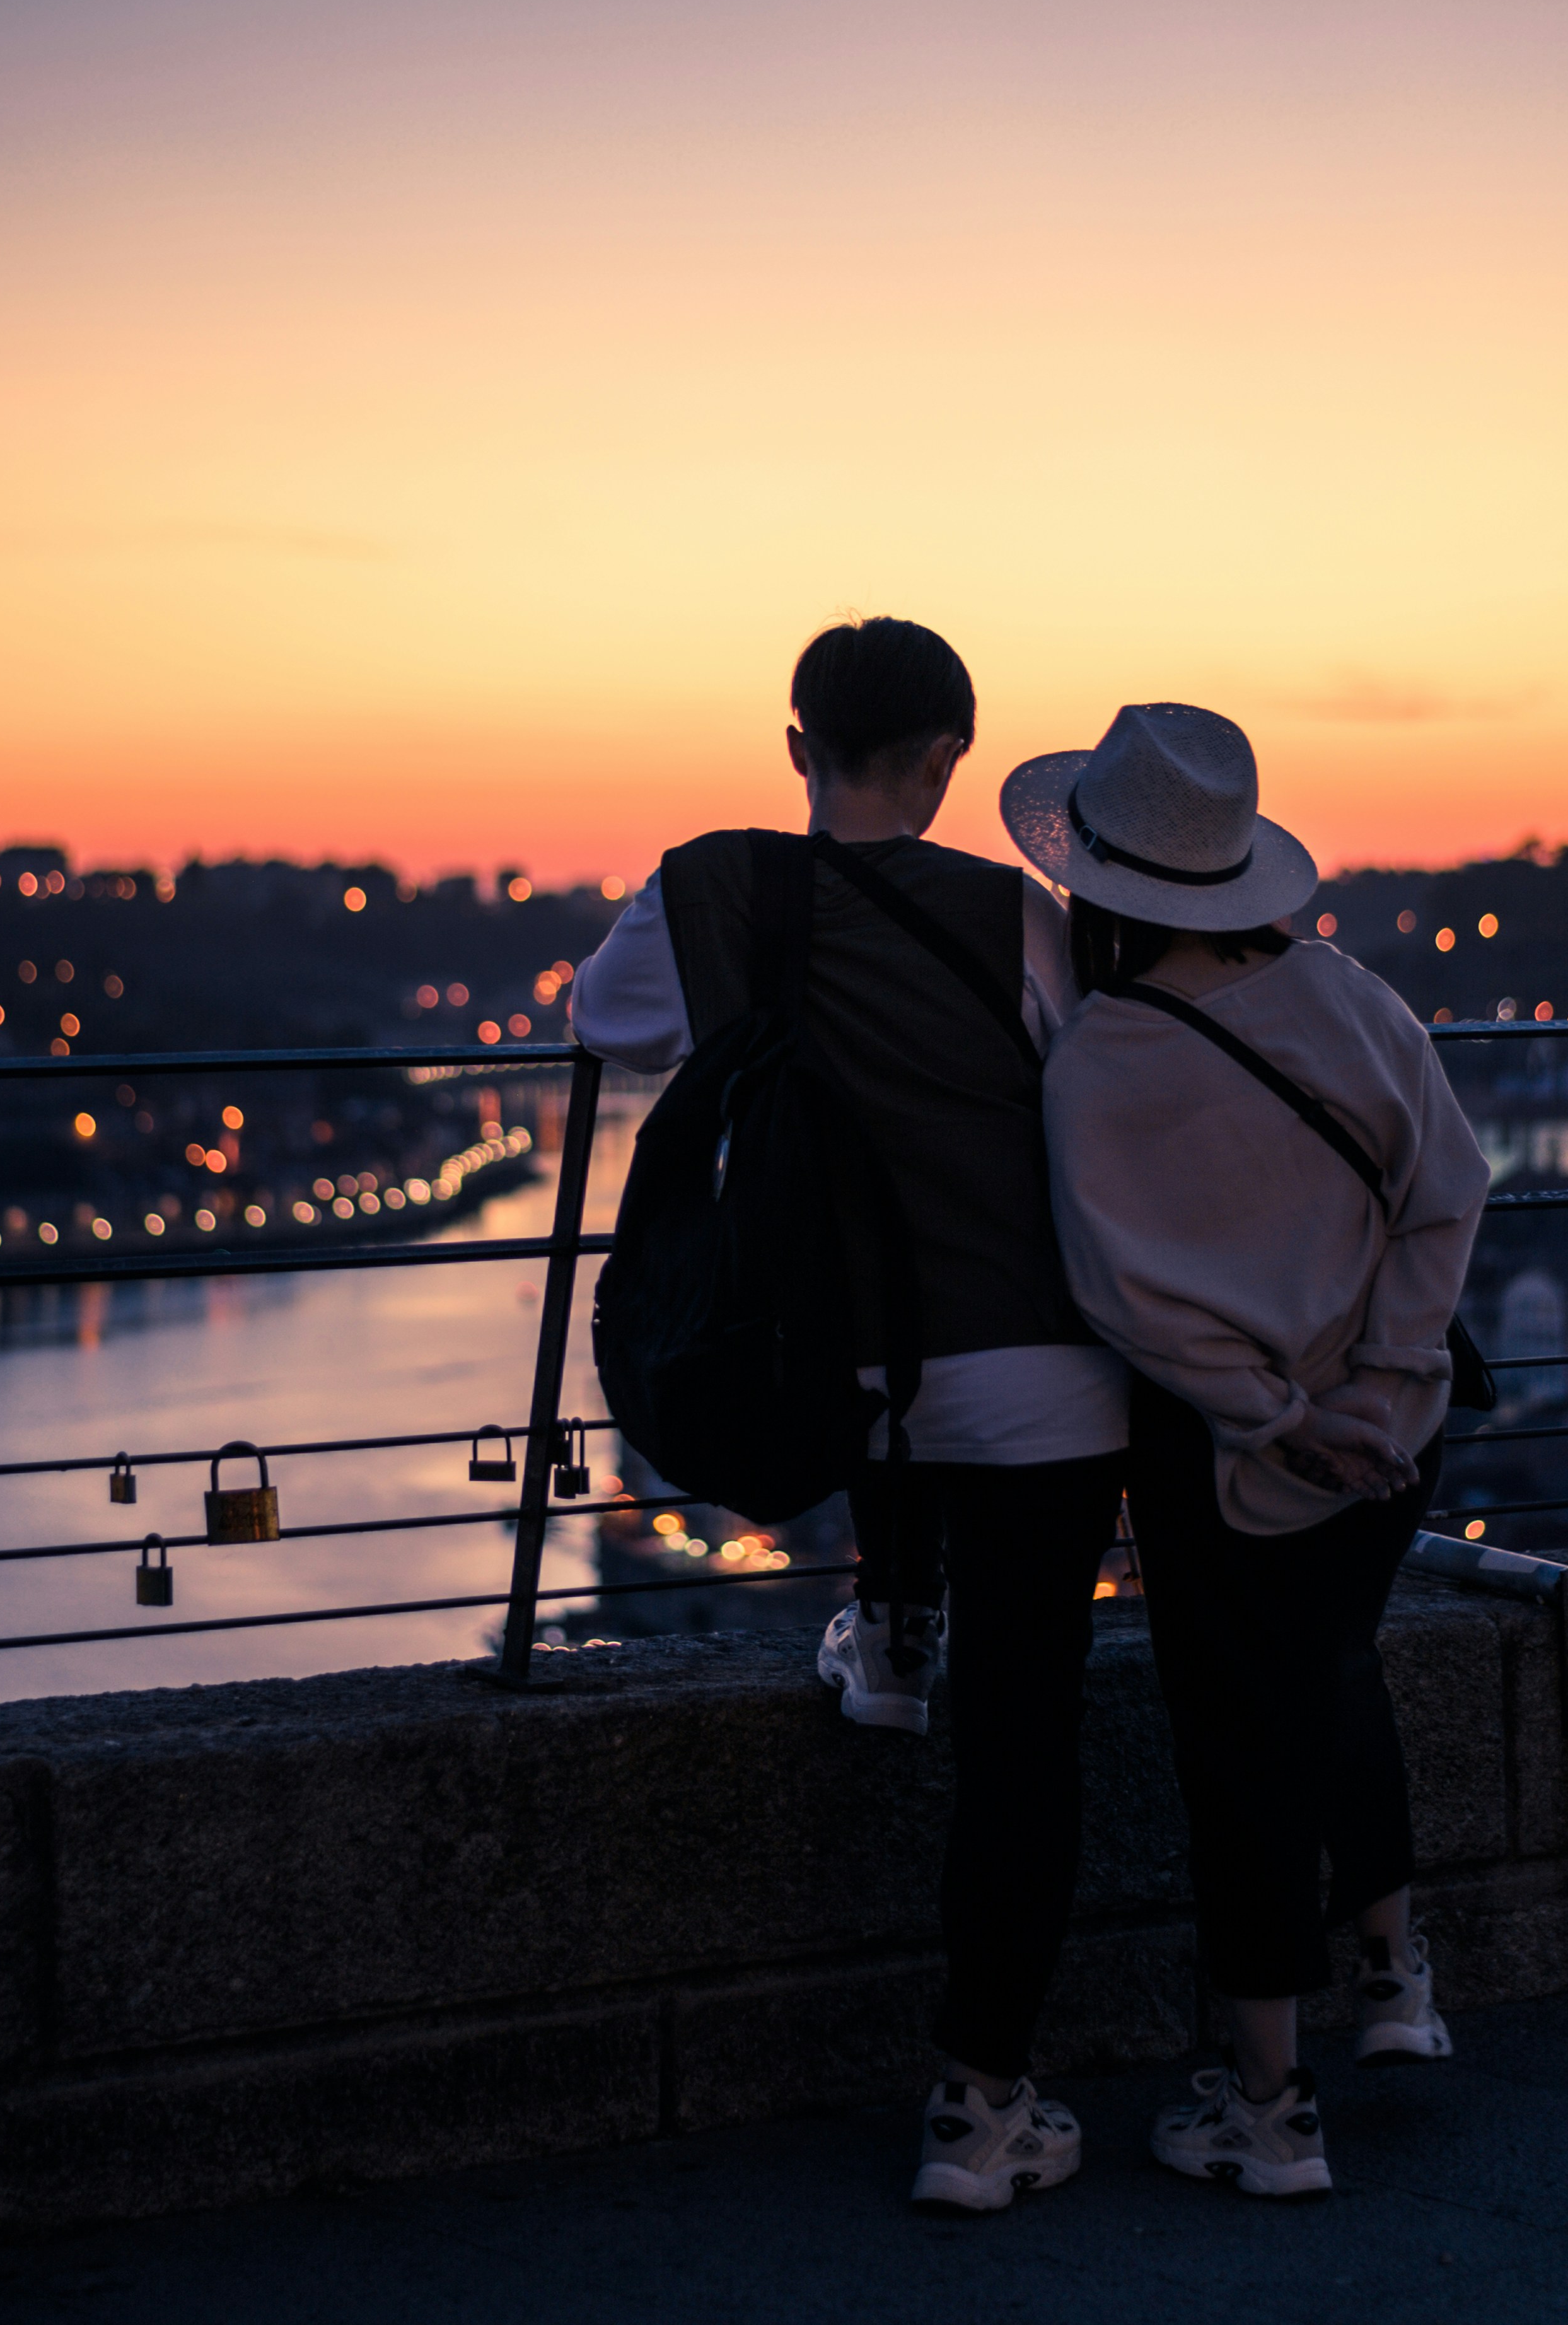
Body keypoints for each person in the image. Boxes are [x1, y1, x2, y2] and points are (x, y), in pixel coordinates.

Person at [572, 615, 1129, 2211]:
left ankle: (888, 1632)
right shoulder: (1017, 918)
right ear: (951, 761)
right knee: (1025, 1744)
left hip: (835, 1369)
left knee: (881, 1379)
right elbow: (1078, 1101)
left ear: (796, 745)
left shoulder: (713, 887)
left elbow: (600, 1023)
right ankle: (979, 2106)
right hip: (1027, 1368)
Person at [1003, 700, 1489, 2198]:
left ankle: (1269, 2106)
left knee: (1239, 1757)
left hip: (1235, 1465)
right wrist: (1384, 1385)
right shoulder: (1353, 1000)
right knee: (1333, 1682)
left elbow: (1128, 1302)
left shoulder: (1097, 1059)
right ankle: (1391, 1975)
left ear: (1095, 879)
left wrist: (1281, 1416)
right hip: (1392, 1441)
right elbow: (1448, 1188)